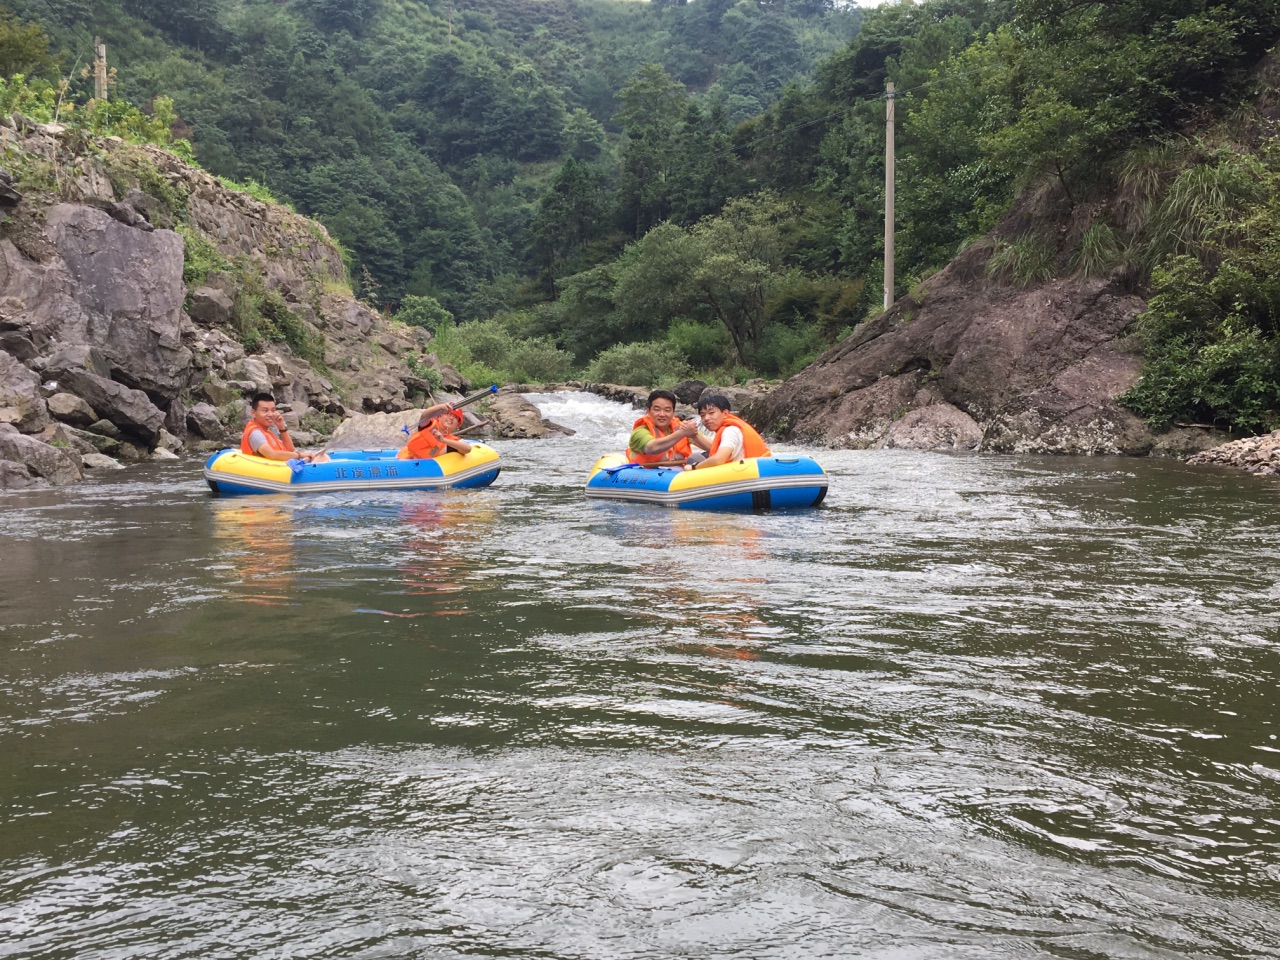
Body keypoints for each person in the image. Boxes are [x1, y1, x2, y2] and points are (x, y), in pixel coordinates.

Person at [684, 393, 771, 471]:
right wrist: (694, 436)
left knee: (694, 459)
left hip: (746, 476)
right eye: (702, 415)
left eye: (711, 413)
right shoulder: (729, 428)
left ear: (725, 413)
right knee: (699, 456)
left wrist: (694, 467)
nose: (706, 418)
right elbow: (715, 448)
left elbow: (718, 459)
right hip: (752, 470)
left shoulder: (730, 431)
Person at [241, 393, 328, 463]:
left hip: (279, 468)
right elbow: (272, 455)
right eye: (265, 411)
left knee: (323, 456)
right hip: (270, 473)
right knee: (322, 459)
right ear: (253, 413)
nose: (270, 414)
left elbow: (290, 450)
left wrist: (282, 427)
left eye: (273, 410)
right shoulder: (255, 433)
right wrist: (301, 455)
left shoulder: (266, 432)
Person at [627, 389, 704, 465]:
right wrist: (682, 433)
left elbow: (712, 447)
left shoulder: (681, 426)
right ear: (648, 412)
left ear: (673, 413)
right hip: (645, 472)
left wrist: (694, 434)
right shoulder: (640, 431)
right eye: (657, 410)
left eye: (667, 410)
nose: (662, 414)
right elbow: (652, 448)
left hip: (677, 472)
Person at [398, 403, 472, 460]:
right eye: (448, 414)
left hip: (423, 467)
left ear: (457, 425)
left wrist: (443, 440)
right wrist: (441, 407)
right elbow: (425, 415)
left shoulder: (451, 441)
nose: (451, 418)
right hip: (405, 460)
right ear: (440, 416)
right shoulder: (429, 424)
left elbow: (467, 449)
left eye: (456, 417)